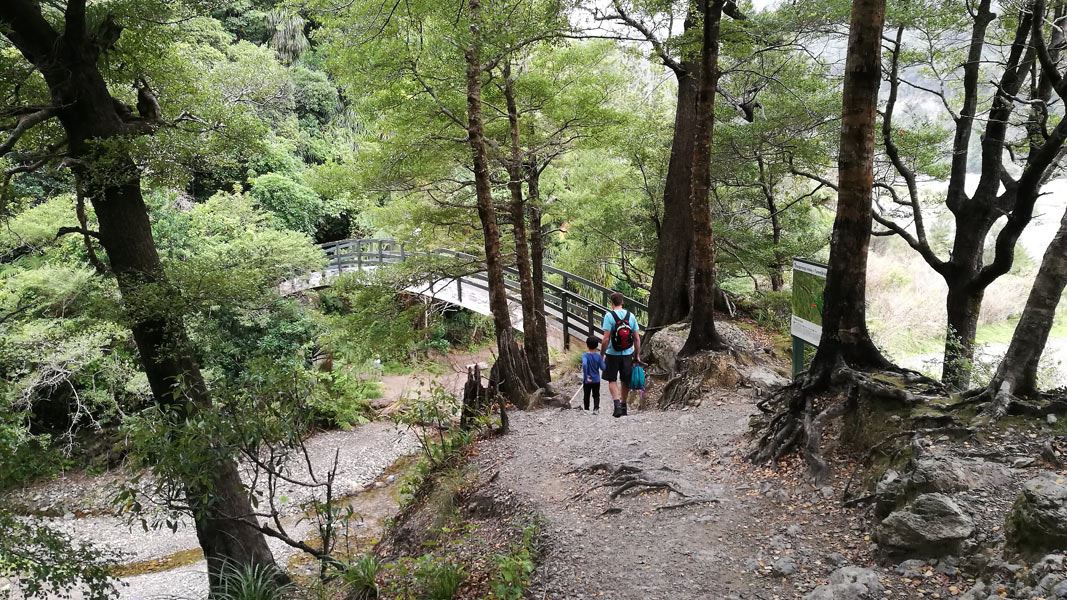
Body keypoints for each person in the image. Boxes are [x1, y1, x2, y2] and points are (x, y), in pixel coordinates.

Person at [600, 291, 641, 418]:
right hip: (628, 353)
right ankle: (624, 406)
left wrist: (601, 355)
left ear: (611, 303)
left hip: (612, 353)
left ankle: (617, 405)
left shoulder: (609, 316)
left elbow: (606, 339)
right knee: (625, 380)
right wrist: (637, 355)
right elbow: (637, 338)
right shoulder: (631, 316)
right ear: (622, 302)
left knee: (612, 379)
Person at [581, 336, 605, 414]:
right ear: (597, 345)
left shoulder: (585, 355)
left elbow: (584, 365)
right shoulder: (598, 357)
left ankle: (586, 409)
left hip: (587, 380)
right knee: (596, 395)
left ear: (587, 345)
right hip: (596, 380)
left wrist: (586, 376)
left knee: (586, 395)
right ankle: (596, 409)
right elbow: (603, 368)